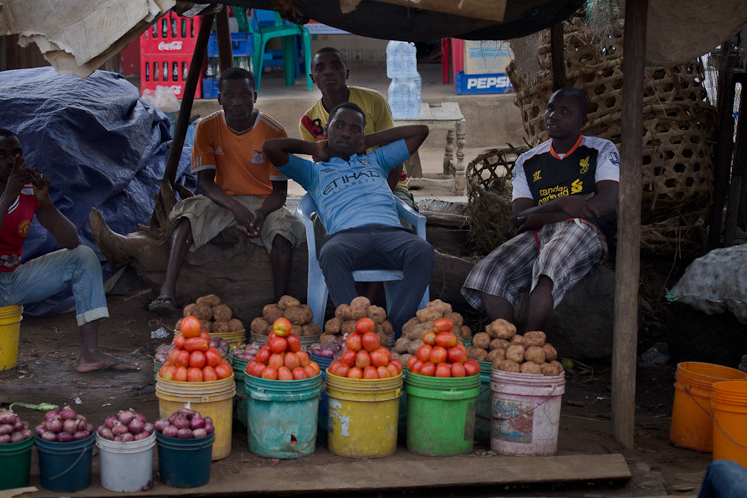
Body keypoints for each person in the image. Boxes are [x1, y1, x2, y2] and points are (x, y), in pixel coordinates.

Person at [0, 129, 137, 394]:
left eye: (16, 153)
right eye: (0, 155)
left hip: (10, 282)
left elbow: (70, 241)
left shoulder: (28, 191)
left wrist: (45, 202)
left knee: (84, 256)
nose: (10, 160)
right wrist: (9, 196)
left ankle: (90, 354)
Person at [263, 102, 434, 331]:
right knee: (331, 252)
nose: (346, 132)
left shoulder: (376, 160)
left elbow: (420, 131)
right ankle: (355, 330)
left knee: (422, 251)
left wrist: (368, 142)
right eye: (340, 126)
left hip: (390, 233)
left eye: (355, 129)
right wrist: (315, 148)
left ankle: (394, 329)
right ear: (327, 130)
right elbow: (270, 147)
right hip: (347, 238)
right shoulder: (313, 172)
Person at [460, 87, 620, 332]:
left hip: (586, 229)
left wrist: (545, 214)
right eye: (551, 108)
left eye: (565, 111)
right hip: (539, 232)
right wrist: (563, 203)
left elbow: (605, 204)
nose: (553, 116)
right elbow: (520, 216)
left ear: (582, 121)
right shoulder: (528, 161)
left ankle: (531, 342)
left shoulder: (601, 150)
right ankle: (509, 343)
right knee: (488, 272)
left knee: (549, 265)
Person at [148, 67, 304, 314]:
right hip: (223, 201)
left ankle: (279, 306)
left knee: (283, 235)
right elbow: (205, 184)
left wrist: (261, 214)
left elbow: (280, 193)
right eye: (229, 96)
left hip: (264, 203)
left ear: (255, 96)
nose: (237, 102)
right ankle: (166, 293)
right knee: (186, 217)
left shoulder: (273, 130)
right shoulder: (207, 127)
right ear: (219, 99)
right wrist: (235, 208)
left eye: (244, 95)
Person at [300, 46, 415, 208]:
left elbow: (395, 156)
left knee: (398, 226)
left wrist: (383, 195)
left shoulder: (374, 101)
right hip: (343, 189)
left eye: (335, 66)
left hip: (389, 184)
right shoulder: (308, 121)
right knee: (324, 226)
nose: (328, 72)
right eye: (320, 68)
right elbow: (324, 169)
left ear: (347, 73)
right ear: (313, 78)